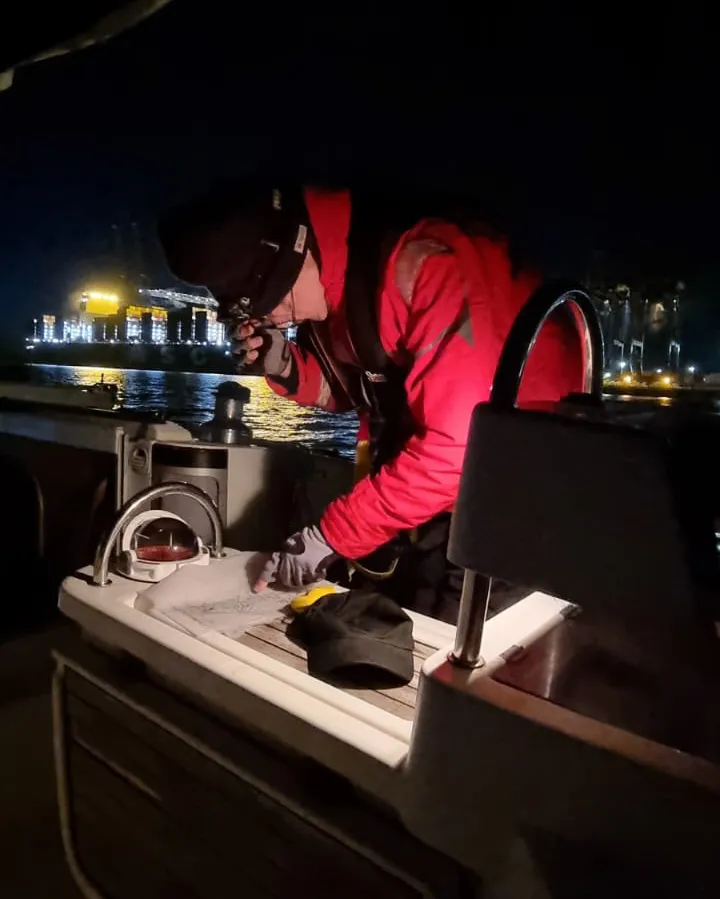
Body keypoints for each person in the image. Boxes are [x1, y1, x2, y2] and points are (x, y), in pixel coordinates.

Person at [158, 183, 584, 623]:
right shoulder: (334, 290)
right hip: (435, 504)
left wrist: (330, 534)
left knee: (442, 659)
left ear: (299, 252)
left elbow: (456, 450)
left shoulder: (433, 267)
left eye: (271, 302)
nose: (272, 318)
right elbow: (363, 394)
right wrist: (284, 363)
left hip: (515, 509)